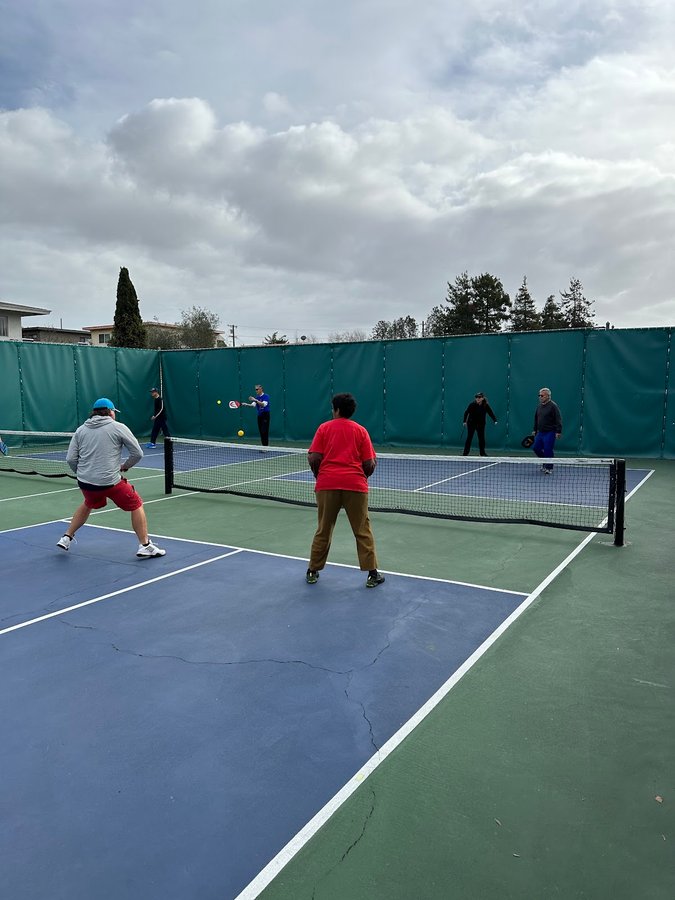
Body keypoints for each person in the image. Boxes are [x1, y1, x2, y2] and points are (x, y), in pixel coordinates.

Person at [56, 397, 166, 557]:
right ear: (109, 412)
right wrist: (125, 466)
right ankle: (145, 545)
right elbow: (138, 453)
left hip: (86, 483)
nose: (114, 414)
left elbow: (71, 459)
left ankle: (66, 537)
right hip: (110, 482)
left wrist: (82, 473)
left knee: (88, 503)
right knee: (136, 504)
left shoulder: (80, 430)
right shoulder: (118, 427)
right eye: (114, 411)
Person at [306, 392, 385, 588]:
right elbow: (370, 462)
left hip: (326, 485)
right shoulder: (361, 431)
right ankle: (372, 574)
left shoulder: (323, 428)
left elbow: (314, 457)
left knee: (323, 529)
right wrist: (361, 477)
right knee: (362, 530)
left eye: (333, 408)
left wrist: (321, 475)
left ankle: (312, 571)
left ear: (337, 410)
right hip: (355, 487)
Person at [532, 387, 562, 473]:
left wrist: (558, 431)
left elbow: (558, 419)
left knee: (547, 449)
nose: (540, 397)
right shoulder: (539, 406)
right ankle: (545, 462)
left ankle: (549, 467)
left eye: (542, 395)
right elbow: (536, 419)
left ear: (548, 396)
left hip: (550, 432)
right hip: (540, 432)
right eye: (539, 395)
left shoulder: (553, 406)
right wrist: (535, 430)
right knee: (536, 448)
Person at [462, 392, 497, 456]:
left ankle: (482, 453)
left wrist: (495, 420)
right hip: (471, 424)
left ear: (482, 398)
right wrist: (464, 421)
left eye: (479, 397)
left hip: (481, 424)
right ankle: (465, 453)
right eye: (476, 397)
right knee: (469, 438)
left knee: (481, 439)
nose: (477, 398)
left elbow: (490, 413)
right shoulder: (472, 405)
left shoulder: (485, 405)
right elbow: (466, 412)